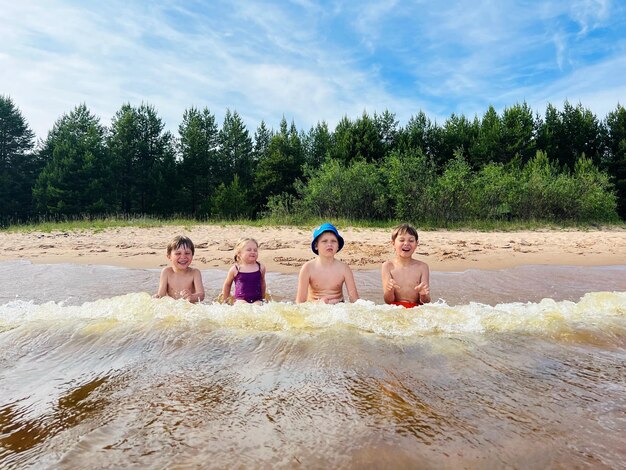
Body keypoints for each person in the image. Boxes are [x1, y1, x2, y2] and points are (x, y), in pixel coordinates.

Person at [296, 223, 359, 304]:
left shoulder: (344, 268)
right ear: (316, 245)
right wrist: (318, 304)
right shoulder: (308, 268)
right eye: (324, 241)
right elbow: (300, 302)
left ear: (338, 246)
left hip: (338, 308)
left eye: (333, 241)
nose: (329, 244)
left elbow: (355, 301)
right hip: (316, 309)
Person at [381, 223, 431, 308]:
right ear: (393, 243)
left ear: (416, 244)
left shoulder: (422, 267)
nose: (406, 243)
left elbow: (426, 301)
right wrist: (390, 291)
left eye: (411, 241)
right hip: (395, 309)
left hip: (416, 309)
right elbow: (388, 301)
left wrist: (423, 295)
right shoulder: (387, 266)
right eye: (401, 240)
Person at [155, 235, 205, 302]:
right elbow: (161, 296)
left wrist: (192, 297)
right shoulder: (166, 272)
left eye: (187, 253)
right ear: (169, 256)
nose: (183, 257)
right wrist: (156, 298)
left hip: (189, 308)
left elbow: (201, 295)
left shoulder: (195, 273)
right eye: (178, 253)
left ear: (192, 255)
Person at [221, 237, 267, 304]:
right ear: (239, 253)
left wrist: (263, 298)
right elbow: (227, 285)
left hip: (257, 299)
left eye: (255, 250)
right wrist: (225, 301)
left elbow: (262, 283)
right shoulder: (235, 269)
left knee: (258, 304)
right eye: (249, 250)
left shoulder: (260, 268)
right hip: (240, 299)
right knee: (242, 304)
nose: (253, 252)